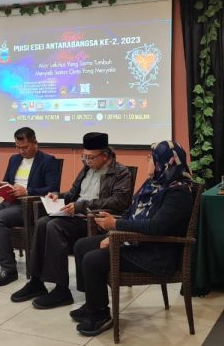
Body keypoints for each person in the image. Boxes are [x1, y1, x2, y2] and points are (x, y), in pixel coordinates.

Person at [71, 140, 195, 336]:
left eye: (151, 157)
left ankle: (100, 315)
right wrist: (113, 231)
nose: (148, 160)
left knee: (92, 259)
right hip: (138, 242)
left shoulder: (178, 192)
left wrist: (116, 227)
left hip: (156, 253)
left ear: (164, 161)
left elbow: (156, 227)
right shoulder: (154, 183)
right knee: (81, 246)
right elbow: (131, 213)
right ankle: (92, 303)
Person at [10, 132, 132, 309]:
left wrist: (81, 206)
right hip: (77, 215)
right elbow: (73, 193)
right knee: (42, 223)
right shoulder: (87, 169)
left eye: (90, 157)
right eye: (84, 157)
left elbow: (119, 201)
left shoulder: (121, 172)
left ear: (105, 155)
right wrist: (58, 196)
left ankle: (62, 290)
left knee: (54, 226)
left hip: (96, 220)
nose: (87, 161)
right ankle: (36, 281)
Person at [0, 127, 60, 287]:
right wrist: (4, 187)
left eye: (25, 147)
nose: (21, 151)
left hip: (29, 206)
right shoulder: (14, 159)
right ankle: (2, 259)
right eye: (17, 147)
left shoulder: (48, 161)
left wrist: (27, 191)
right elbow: (6, 181)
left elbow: (53, 189)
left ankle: (9, 270)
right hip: (9, 202)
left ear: (35, 143)